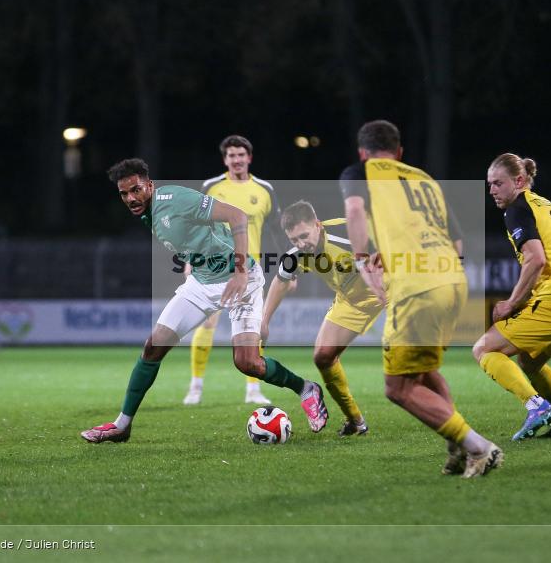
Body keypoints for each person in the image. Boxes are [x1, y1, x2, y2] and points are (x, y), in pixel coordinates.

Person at [80, 158, 327, 443]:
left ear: (150, 185)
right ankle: (122, 426)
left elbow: (238, 216)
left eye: (136, 189)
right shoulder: (148, 213)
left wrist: (239, 271)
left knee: (248, 363)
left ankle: (306, 389)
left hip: (241, 281)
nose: (131, 198)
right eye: (124, 194)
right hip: (201, 283)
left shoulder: (175, 199)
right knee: (153, 347)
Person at [340, 120, 502, 479]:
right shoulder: (423, 178)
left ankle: (476, 446)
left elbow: (353, 212)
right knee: (425, 371)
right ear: (400, 152)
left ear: (362, 152)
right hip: (452, 281)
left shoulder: (361, 171)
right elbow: (455, 241)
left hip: (418, 287)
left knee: (397, 388)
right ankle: (458, 445)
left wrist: (362, 258)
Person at [474, 153, 551, 441]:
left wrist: (512, 303)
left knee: (484, 349)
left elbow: (536, 260)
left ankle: (536, 407)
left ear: (518, 181)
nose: (492, 191)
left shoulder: (518, 208)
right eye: (489, 185)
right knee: (530, 362)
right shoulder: (546, 205)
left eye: (498, 184)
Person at [261, 200, 385, 436]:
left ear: (318, 225)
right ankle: (356, 421)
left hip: (388, 289)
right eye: (294, 240)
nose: (300, 244)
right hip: (350, 301)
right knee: (323, 357)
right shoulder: (297, 255)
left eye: (304, 236)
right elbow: (280, 280)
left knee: (405, 368)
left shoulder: (348, 234)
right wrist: (264, 321)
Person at [182, 135, 282, 406]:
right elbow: (194, 225)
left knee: (252, 329)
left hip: (249, 272)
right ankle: (196, 387)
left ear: (249, 157)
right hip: (214, 267)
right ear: (225, 160)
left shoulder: (264, 190)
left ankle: (253, 389)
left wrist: (285, 262)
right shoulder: (212, 187)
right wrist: (191, 259)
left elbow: (276, 231)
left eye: (241, 155)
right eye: (231, 156)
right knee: (207, 323)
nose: (236, 160)